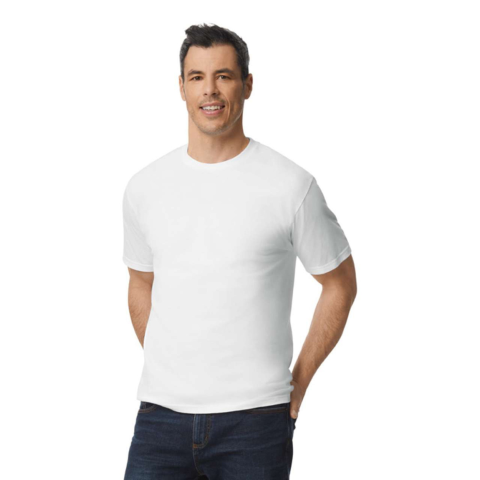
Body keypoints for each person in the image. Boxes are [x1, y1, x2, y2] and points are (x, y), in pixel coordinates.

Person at [122, 22, 357, 480]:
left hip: (255, 422)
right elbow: (140, 282)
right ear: (181, 87)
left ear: (247, 85)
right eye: (197, 77)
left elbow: (340, 284)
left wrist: (299, 382)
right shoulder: (145, 188)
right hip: (159, 418)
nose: (210, 90)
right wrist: (172, 367)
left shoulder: (291, 186)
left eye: (224, 76)